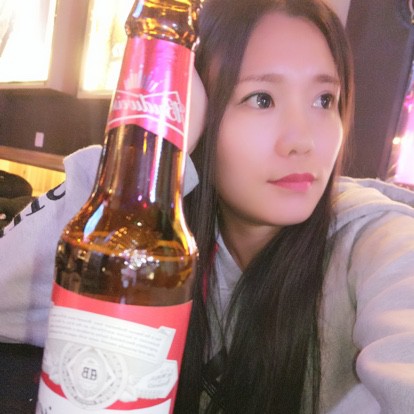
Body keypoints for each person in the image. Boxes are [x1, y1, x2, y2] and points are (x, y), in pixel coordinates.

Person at [1, 0, 414, 412]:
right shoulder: (167, 238)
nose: (302, 141)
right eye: (261, 99)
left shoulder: (375, 242)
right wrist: (162, 150)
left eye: (324, 100)